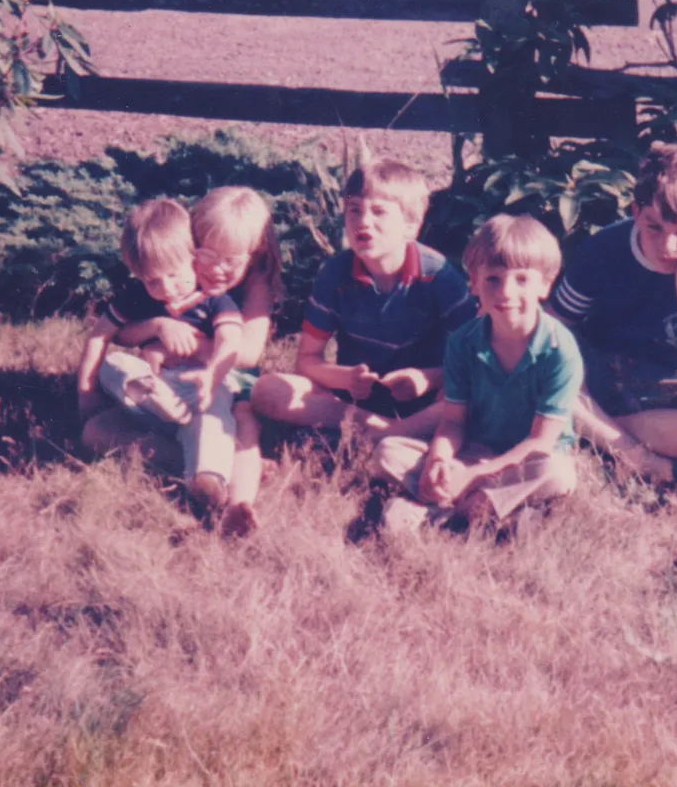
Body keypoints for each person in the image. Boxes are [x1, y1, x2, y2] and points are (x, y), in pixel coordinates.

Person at [549, 141, 677, 504]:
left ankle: (596, 435)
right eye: (654, 227)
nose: (667, 246)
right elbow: (554, 326)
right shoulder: (606, 248)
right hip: (604, 384)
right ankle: (640, 458)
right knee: (545, 365)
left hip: (674, 397)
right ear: (635, 211)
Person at [81, 187, 282, 537]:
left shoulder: (254, 284)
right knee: (95, 432)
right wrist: (159, 329)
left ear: (254, 254)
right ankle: (204, 466)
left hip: (229, 386)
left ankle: (238, 501)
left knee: (243, 420)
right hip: (167, 394)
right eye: (207, 256)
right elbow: (124, 334)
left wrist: (172, 350)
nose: (218, 269)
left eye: (231, 260)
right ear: (191, 245)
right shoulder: (172, 278)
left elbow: (246, 352)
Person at [368, 214, 581, 533]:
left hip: (526, 460)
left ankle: (443, 512)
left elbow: (540, 442)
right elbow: (453, 421)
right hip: (475, 449)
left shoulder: (558, 350)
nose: (506, 292)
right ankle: (478, 512)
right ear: (474, 283)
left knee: (559, 474)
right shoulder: (464, 342)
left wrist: (472, 477)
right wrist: (438, 461)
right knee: (388, 453)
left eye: (522, 279)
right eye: (493, 279)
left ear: (545, 285)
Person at [251, 158, 476, 440]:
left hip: (426, 398)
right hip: (356, 400)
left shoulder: (440, 276)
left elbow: (474, 361)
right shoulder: (335, 275)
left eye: (379, 212)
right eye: (354, 210)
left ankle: (376, 434)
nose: (363, 221)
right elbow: (307, 361)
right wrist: (347, 379)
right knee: (267, 390)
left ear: (411, 225)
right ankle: (388, 432)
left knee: (467, 395)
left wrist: (426, 379)